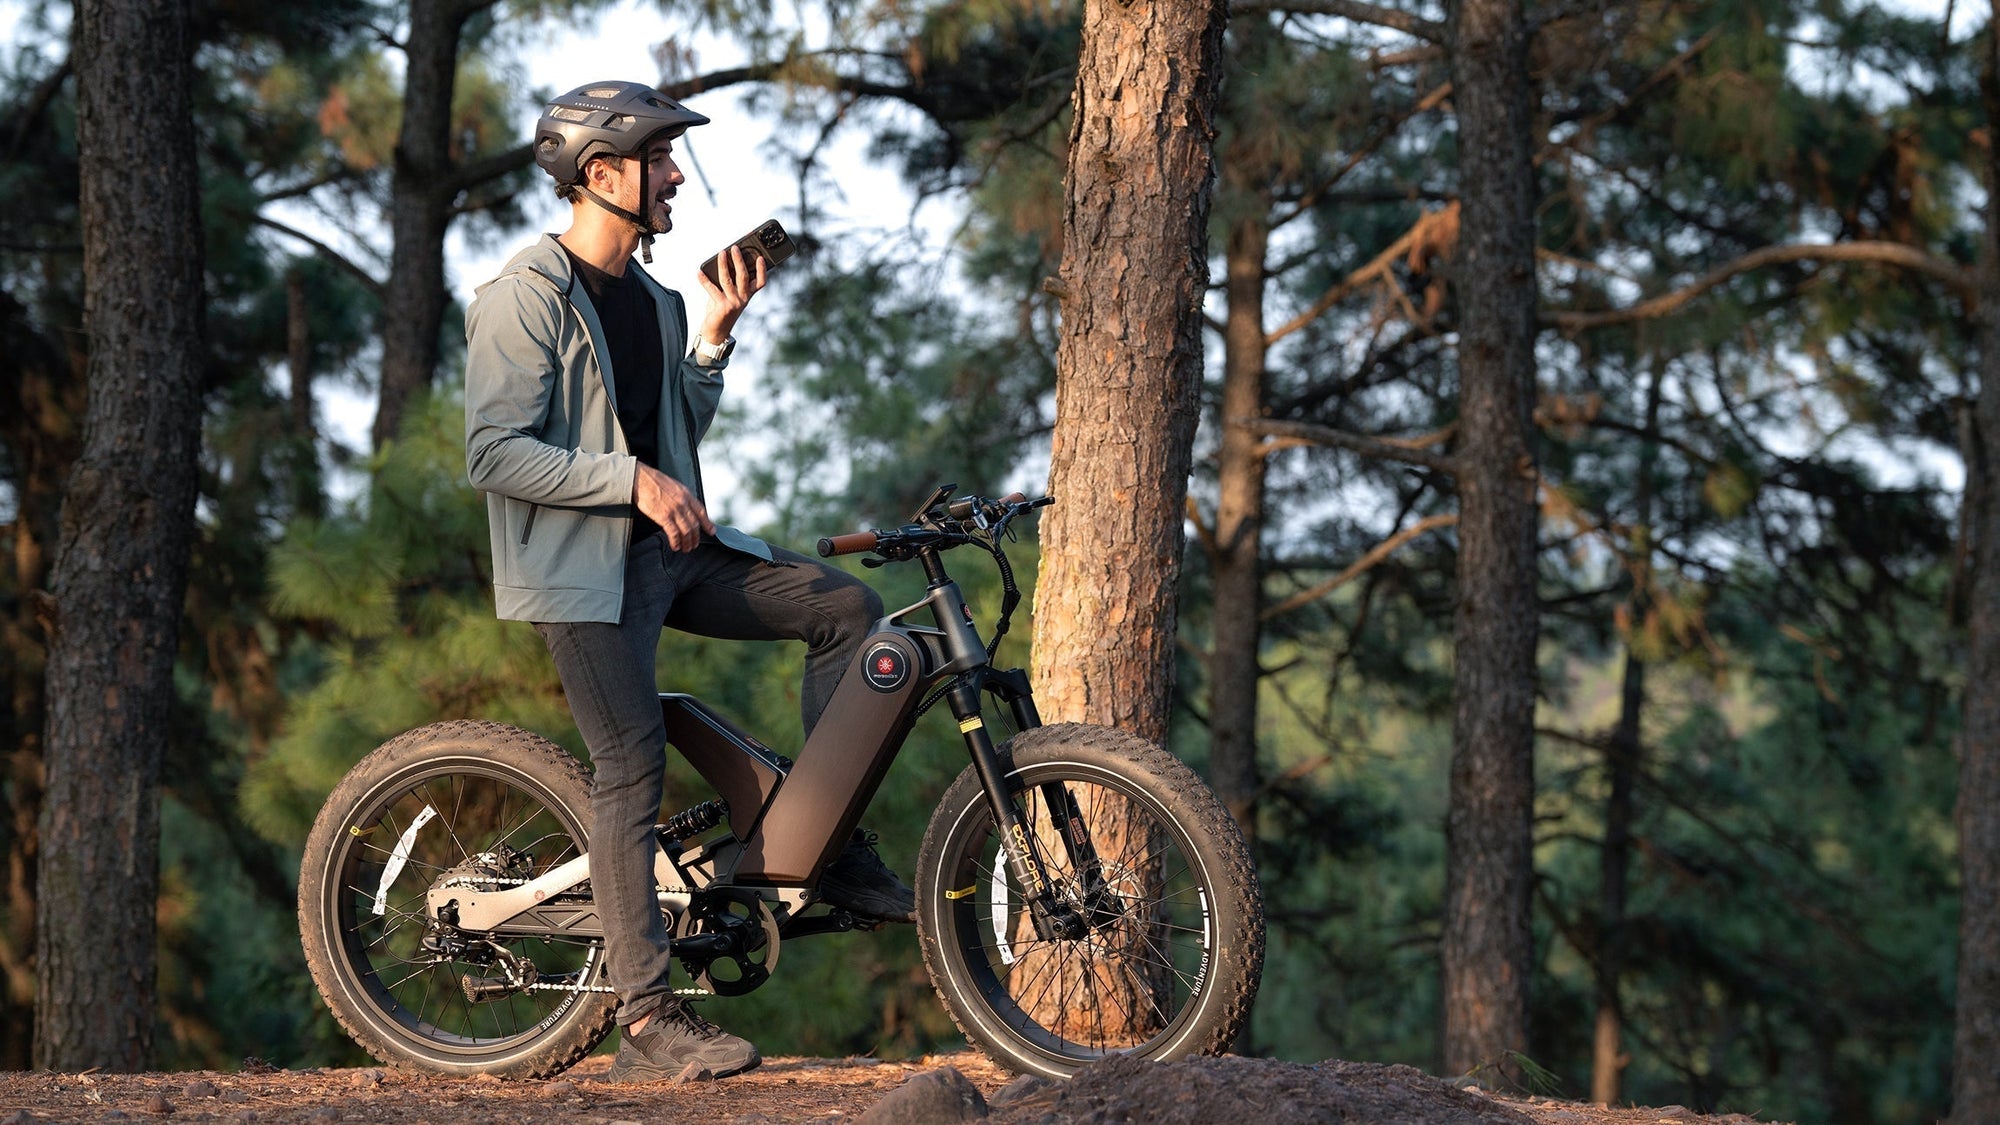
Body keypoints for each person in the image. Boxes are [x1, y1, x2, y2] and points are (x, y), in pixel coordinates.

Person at [463, 80, 914, 1083]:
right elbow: (493, 453)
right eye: (659, 159)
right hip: (582, 576)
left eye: (671, 159)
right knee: (629, 766)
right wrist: (628, 481)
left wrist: (712, 334)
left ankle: (825, 842)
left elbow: (674, 432)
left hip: (671, 557)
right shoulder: (522, 297)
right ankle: (645, 1016)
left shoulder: (658, 301)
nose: (676, 176)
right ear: (600, 173)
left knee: (845, 607)